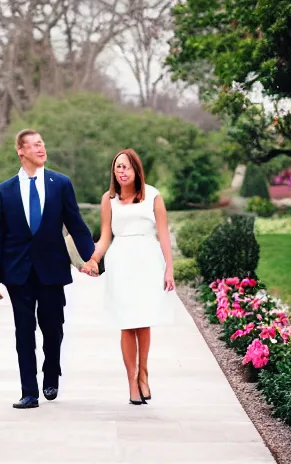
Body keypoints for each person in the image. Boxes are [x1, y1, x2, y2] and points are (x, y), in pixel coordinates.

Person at [0, 129, 94, 409]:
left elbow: (76, 224)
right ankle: (29, 391)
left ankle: (51, 372)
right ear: (20, 151)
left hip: (52, 269)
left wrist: (92, 258)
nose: (41, 148)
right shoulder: (4, 191)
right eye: (34, 145)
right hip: (18, 272)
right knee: (24, 331)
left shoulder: (60, 183)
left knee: (53, 328)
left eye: (42, 143)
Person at [81, 149, 175, 405]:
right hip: (120, 262)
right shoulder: (108, 199)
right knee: (126, 322)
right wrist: (93, 260)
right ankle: (132, 382)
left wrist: (169, 268)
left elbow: (164, 235)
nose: (121, 171)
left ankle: (143, 372)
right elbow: (104, 238)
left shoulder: (153, 196)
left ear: (136, 170)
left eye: (126, 167)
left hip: (148, 261)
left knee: (143, 321)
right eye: (118, 167)